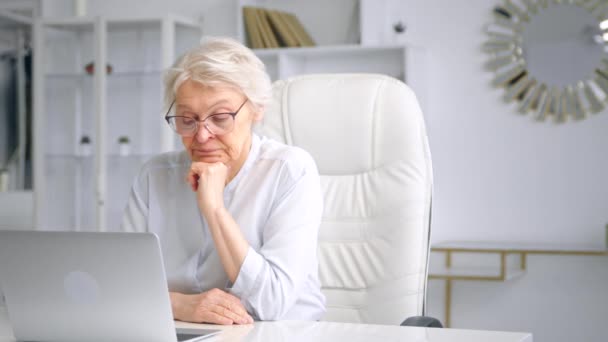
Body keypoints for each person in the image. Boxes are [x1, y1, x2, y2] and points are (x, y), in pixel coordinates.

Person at [120, 37, 326, 325]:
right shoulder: (154, 175)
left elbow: (271, 302)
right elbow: (121, 289)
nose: (202, 136)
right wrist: (182, 306)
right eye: (187, 120)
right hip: (180, 331)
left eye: (220, 117)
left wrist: (215, 208)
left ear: (257, 109)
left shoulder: (290, 171)